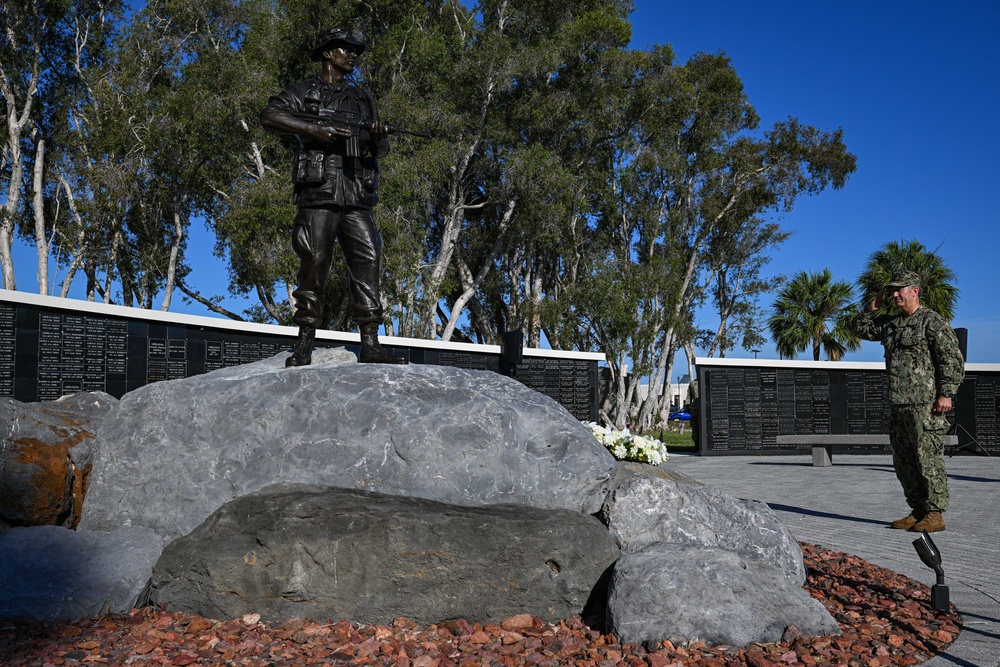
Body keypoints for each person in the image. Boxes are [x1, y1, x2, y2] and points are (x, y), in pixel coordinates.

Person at [260, 27, 406, 366]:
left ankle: (371, 343)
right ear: (328, 52)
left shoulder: (363, 98)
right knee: (313, 265)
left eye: (356, 50)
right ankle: (304, 344)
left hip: (357, 195)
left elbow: (378, 150)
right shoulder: (303, 92)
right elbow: (269, 116)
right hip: (319, 192)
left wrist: (379, 135)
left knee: (368, 260)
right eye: (346, 49)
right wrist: (313, 129)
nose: (353, 55)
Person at [853, 270, 964, 532]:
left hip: (926, 405)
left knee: (928, 459)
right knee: (904, 460)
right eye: (893, 290)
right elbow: (861, 329)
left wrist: (946, 393)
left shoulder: (932, 322)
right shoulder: (892, 324)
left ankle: (935, 514)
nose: (894, 294)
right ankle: (918, 510)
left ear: (914, 290)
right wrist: (871, 310)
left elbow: (951, 359)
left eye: (899, 289)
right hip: (899, 403)